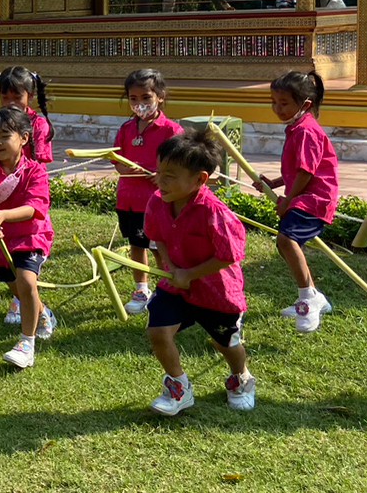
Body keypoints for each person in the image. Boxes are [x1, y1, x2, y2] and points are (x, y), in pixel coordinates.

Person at [142, 130, 254, 415]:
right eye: (159, 172)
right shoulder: (157, 201)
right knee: (158, 331)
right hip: (176, 286)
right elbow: (158, 237)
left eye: (170, 176)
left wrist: (190, 274)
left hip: (217, 292)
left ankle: (241, 377)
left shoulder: (214, 212)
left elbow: (229, 255)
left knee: (225, 342)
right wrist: (171, 268)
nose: (160, 181)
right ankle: (179, 388)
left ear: (200, 179)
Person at [259, 70, 339, 333]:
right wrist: (274, 184)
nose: (277, 109)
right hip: (303, 196)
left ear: (305, 104)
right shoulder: (296, 128)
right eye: (274, 102)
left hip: (315, 199)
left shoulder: (306, 131)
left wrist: (288, 200)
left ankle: (307, 298)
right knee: (284, 245)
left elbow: (306, 173)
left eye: (284, 103)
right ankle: (313, 296)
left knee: (286, 240)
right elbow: (297, 170)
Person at [0, 107, 53, 369]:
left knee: (26, 281)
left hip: (31, 235)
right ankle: (42, 312)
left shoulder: (35, 172)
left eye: (4, 136)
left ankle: (26, 344)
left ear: (24, 138)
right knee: (15, 285)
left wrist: (4, 215)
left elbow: (35, 207)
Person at [114, 69, 183, 316]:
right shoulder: (126, 129)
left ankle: (166, 287)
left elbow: (179, 164)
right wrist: (126, 168)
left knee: (158, 247)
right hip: (128, 201)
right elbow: (117, 159)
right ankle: (141, 289)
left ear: (160, 97)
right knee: (136, 244)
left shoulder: (171, 130)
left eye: (146, 97)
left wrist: (162, 176)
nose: (139, 104)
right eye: (133, 98)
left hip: (157, 202)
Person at [0, 67, 52, 164]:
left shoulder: (39, 125)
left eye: (17, 98)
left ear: (30, 95)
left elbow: (39, 163)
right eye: (5, 98)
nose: (11, 103)